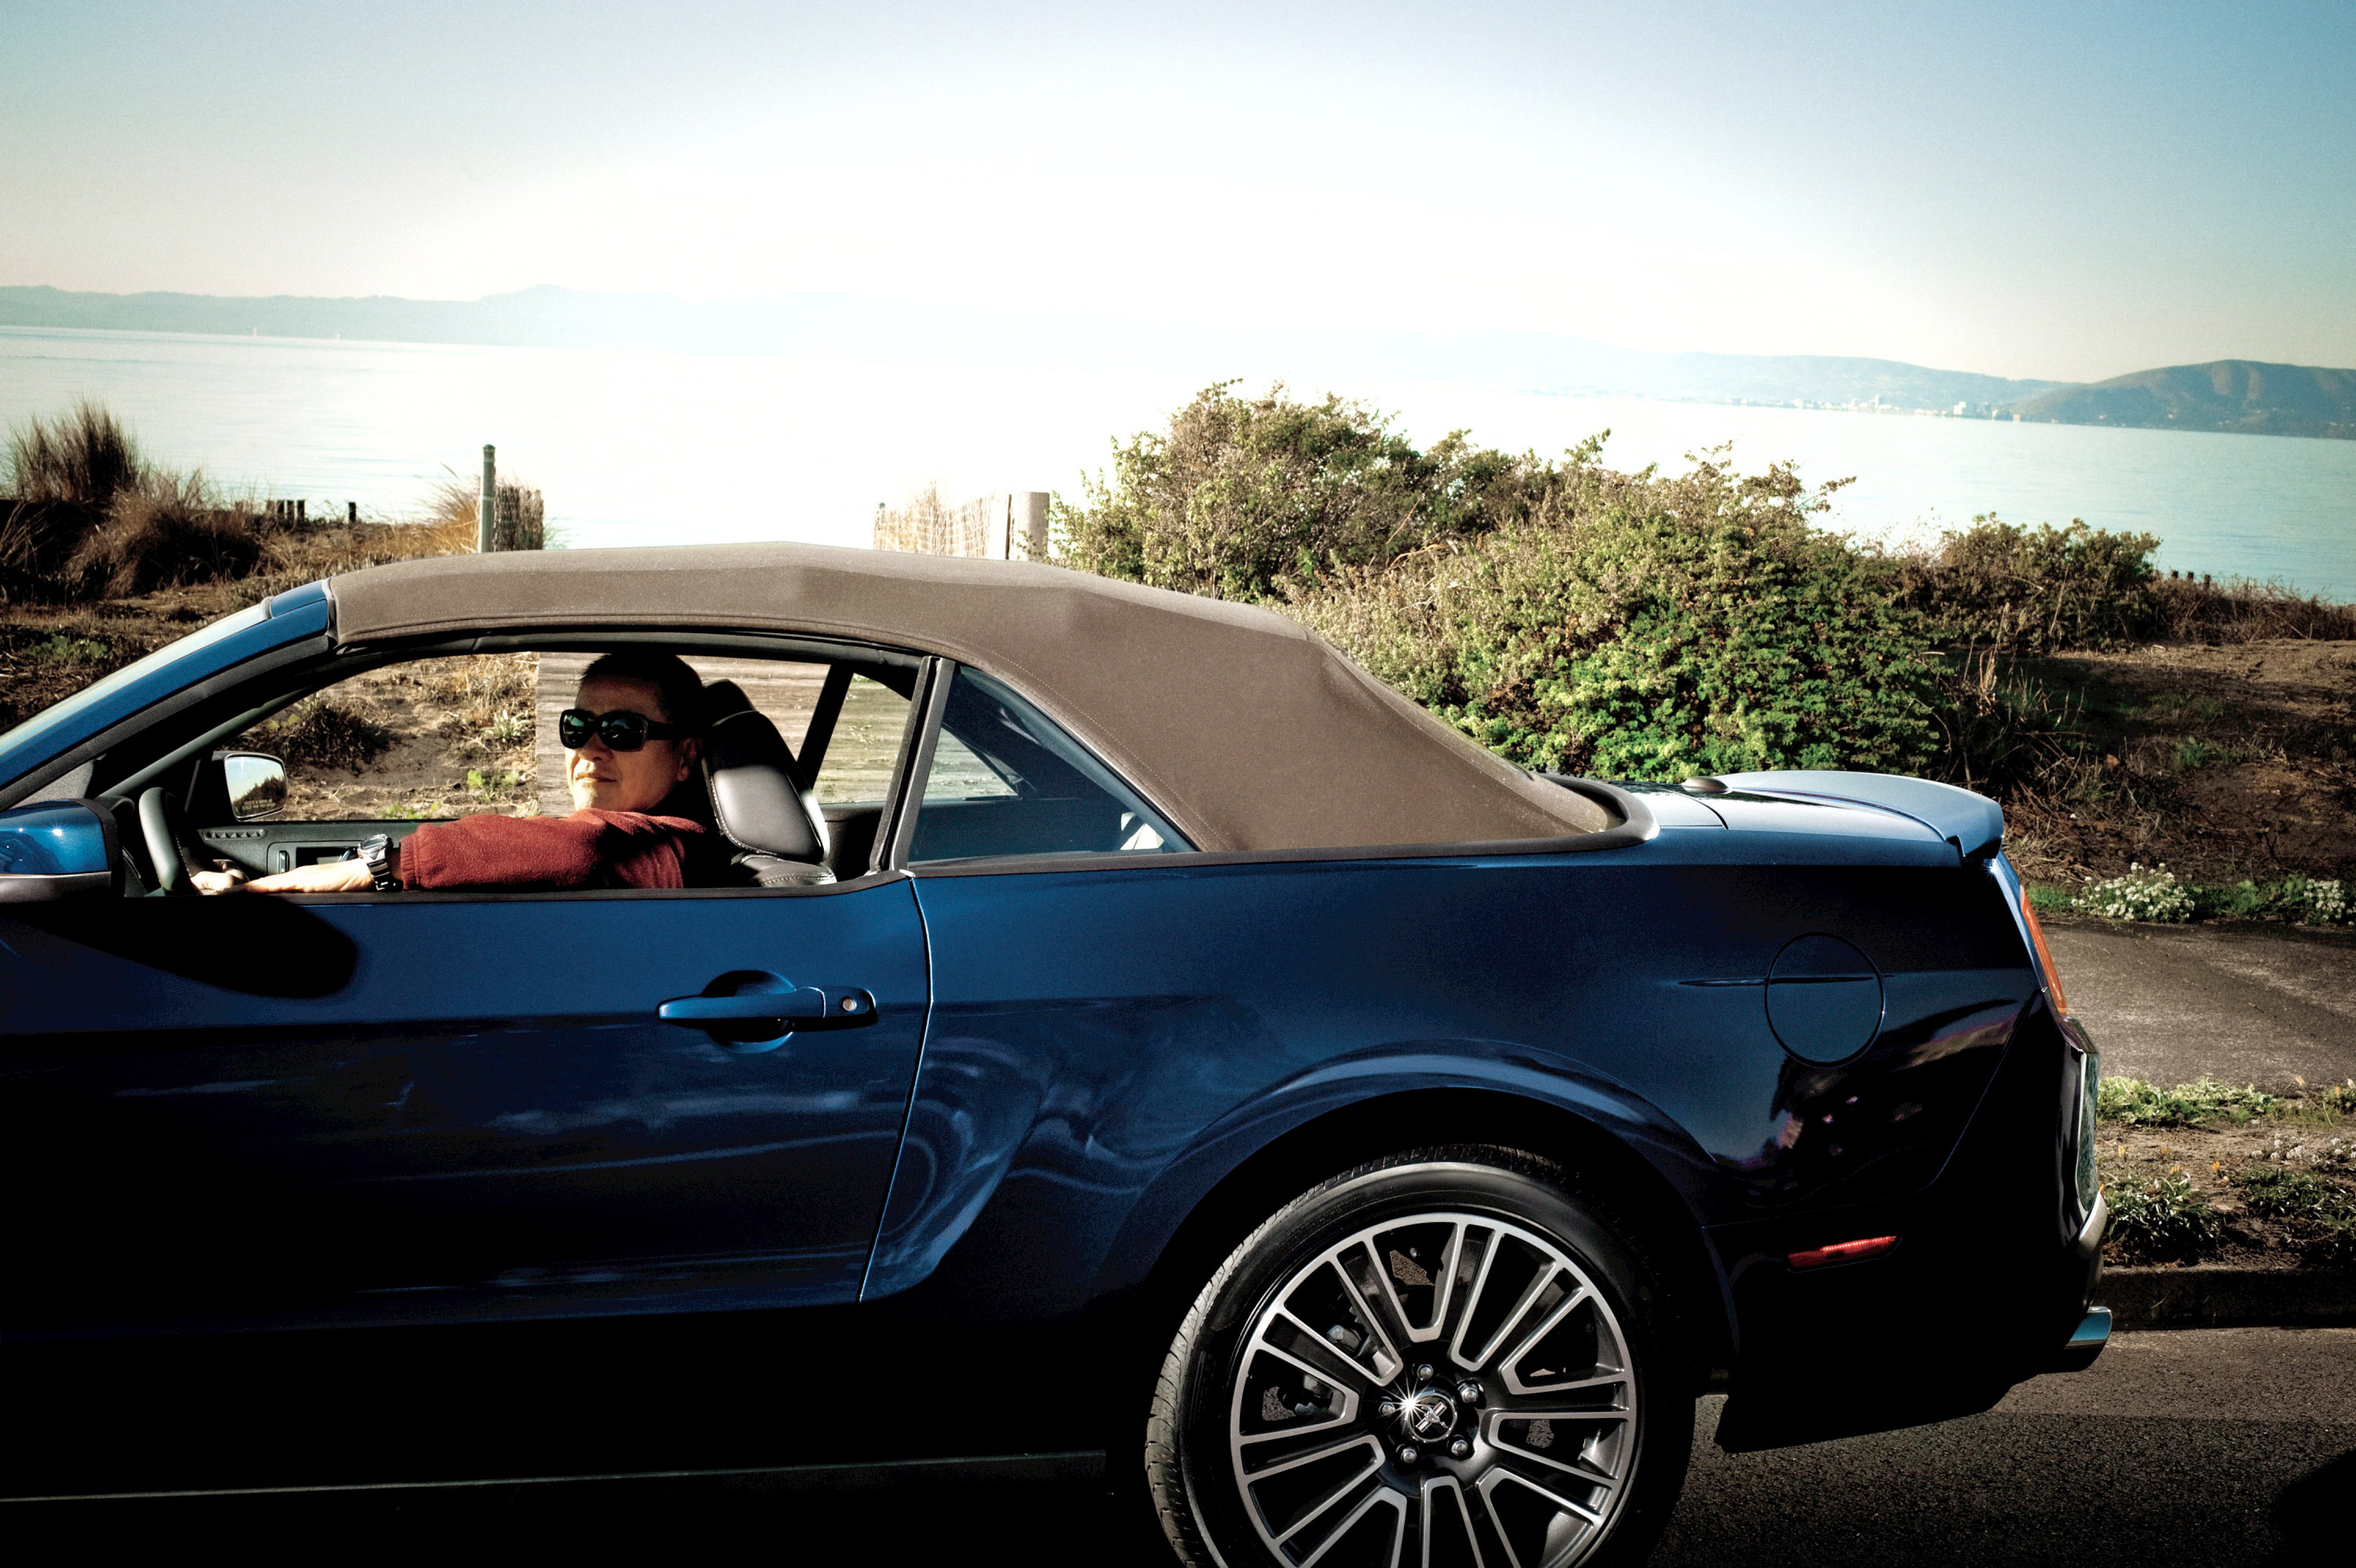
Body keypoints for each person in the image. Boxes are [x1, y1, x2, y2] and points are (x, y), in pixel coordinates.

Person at [196, 652, 707, 894]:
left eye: (622, 729)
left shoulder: (677, 844)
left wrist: (369, 867)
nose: (591, 747)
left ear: (685, 757)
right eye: (578, 726)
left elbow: (579, 847)